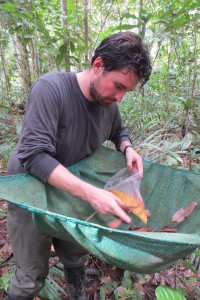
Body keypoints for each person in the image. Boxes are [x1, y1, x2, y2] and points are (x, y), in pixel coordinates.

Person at [7, 31, 151, 299]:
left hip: (70, 191)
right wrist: (93, 194)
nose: (120, 97)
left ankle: (77, 291)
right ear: (98, 65)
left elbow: (119, 131)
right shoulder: (51, 89)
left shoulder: (107, 103)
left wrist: (128, 148)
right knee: (30, 276)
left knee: (75, 254)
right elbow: (34, 155)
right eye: (119, 86)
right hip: (31, 194)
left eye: (126, 92)